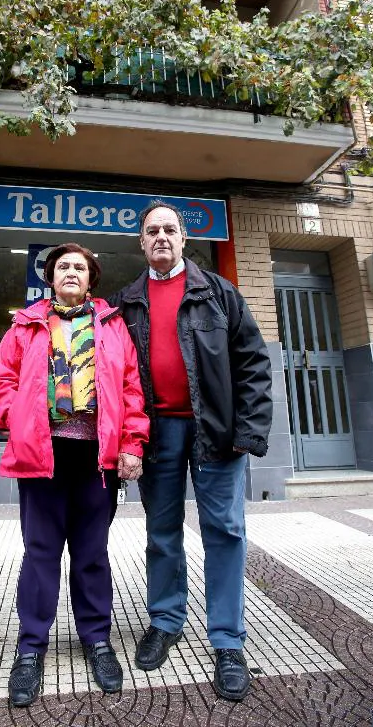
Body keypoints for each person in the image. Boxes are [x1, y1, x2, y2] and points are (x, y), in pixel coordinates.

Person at [110, 200, 272, 702]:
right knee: (161, 533)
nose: (161, 237)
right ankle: (165, 619)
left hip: (216, 433)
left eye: (170, 230)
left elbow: (254, 365)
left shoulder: (219, 293)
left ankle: (227, 639)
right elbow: (115, 378)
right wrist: (123, 441)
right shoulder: (125, 302)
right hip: (156, 436)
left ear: (184, 239)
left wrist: (248, 430)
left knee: (224, 531)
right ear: (141, 242)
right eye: (152, 230)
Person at [0, 242, 149, 707]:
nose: (71, 272)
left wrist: (132, 444)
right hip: (42, 454)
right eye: (63, 267)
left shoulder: (113, 326)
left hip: (96, 459)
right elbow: (1, 379)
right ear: (51, 277)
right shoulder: (27, 324)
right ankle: (30, 647)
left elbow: (132, 390)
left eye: (80, 267)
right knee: (40, 553)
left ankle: (97, 640)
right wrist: (12, 414)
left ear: (91, 277)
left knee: (92, 553)